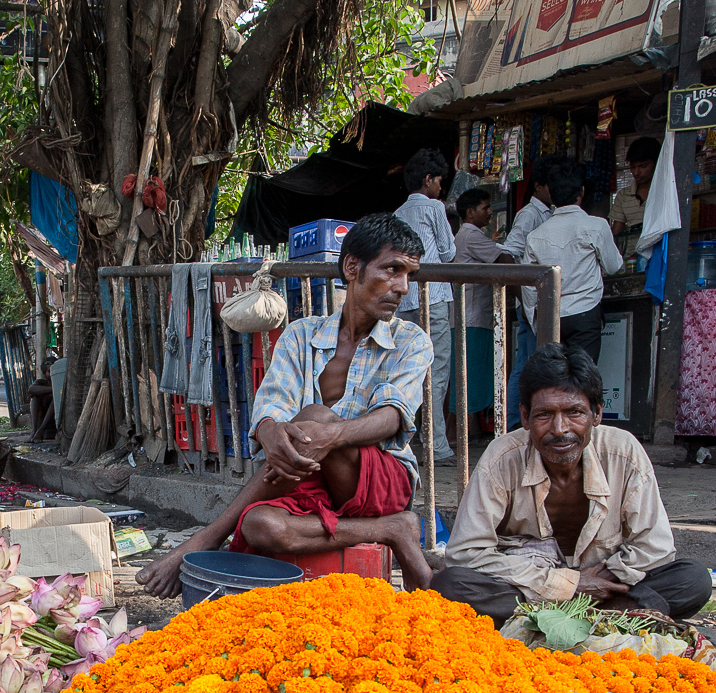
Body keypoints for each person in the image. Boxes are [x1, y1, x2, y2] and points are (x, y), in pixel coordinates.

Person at [136, 212, 437, 597]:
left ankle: (205, 537)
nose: (402, 287)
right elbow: (271, 405)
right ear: (351, 267)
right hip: (310, 475)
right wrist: (272, 433)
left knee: (313, 418)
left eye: (408, 275)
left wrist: (329, 435)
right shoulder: (302, 334)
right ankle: (393, 528)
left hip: (379, 480)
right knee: (260, 525)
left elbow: (392, 417)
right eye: (392, 270)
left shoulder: (412, 340)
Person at [432, 344, 710, 625]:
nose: (560, 429)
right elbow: (465, 553)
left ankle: (552, 620)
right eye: (544, 415)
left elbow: (655, 547)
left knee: (692, 580)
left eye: (574, 412)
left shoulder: (623, 452)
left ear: (597, 414)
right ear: (525, 417)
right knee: (451, 585)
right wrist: (567, 585)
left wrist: (602, 579)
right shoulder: (502, 458)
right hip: (531, 589)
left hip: (603, 587)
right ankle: (606, 619)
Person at [393, 148, 458, 466]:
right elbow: (448, 253)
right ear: (428, 179)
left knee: (408, 370)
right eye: (439, 180)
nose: (441, 187)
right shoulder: (434, 208)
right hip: (433, 298)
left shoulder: (397, 214)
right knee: (437, 371)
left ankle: (404, 441)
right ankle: (437, 446)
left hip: (405, 299)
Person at [525, 159, 622, 362]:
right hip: (585, 312)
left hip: (550, 318)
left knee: (553, 379)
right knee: (583, 378)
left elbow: (529, 287)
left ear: (551, 194)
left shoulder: (535, 236)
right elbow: (614, 267)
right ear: (582, 192)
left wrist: (536, 321)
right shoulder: (597, 226)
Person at [502, 158, 559, 430]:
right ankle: (514, 423)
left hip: (538, 299)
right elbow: (508, 253)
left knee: (529, 361)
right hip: (532, 300)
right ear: (538, 186)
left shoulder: (549, 213)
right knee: (524, 364)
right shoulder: (529, 215)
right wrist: (521, 292)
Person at [453, 187, 518, 423]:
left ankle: (466, 430)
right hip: (473, 315)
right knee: (472, 374)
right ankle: (463, 431)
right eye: (485, 207)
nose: (490, 212)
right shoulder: (471, 236)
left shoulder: (466, 235)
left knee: (467, 374)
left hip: (470, 314)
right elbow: (504, 259)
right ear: (470, 212)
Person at [609, 137, 661, 238]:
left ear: (656, 163)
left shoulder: (666, 192)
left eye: (643, 166)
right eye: (633, 167)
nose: (636, 172)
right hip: (630, 253)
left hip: (659, 252)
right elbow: (617, 232)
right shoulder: (623, 196)